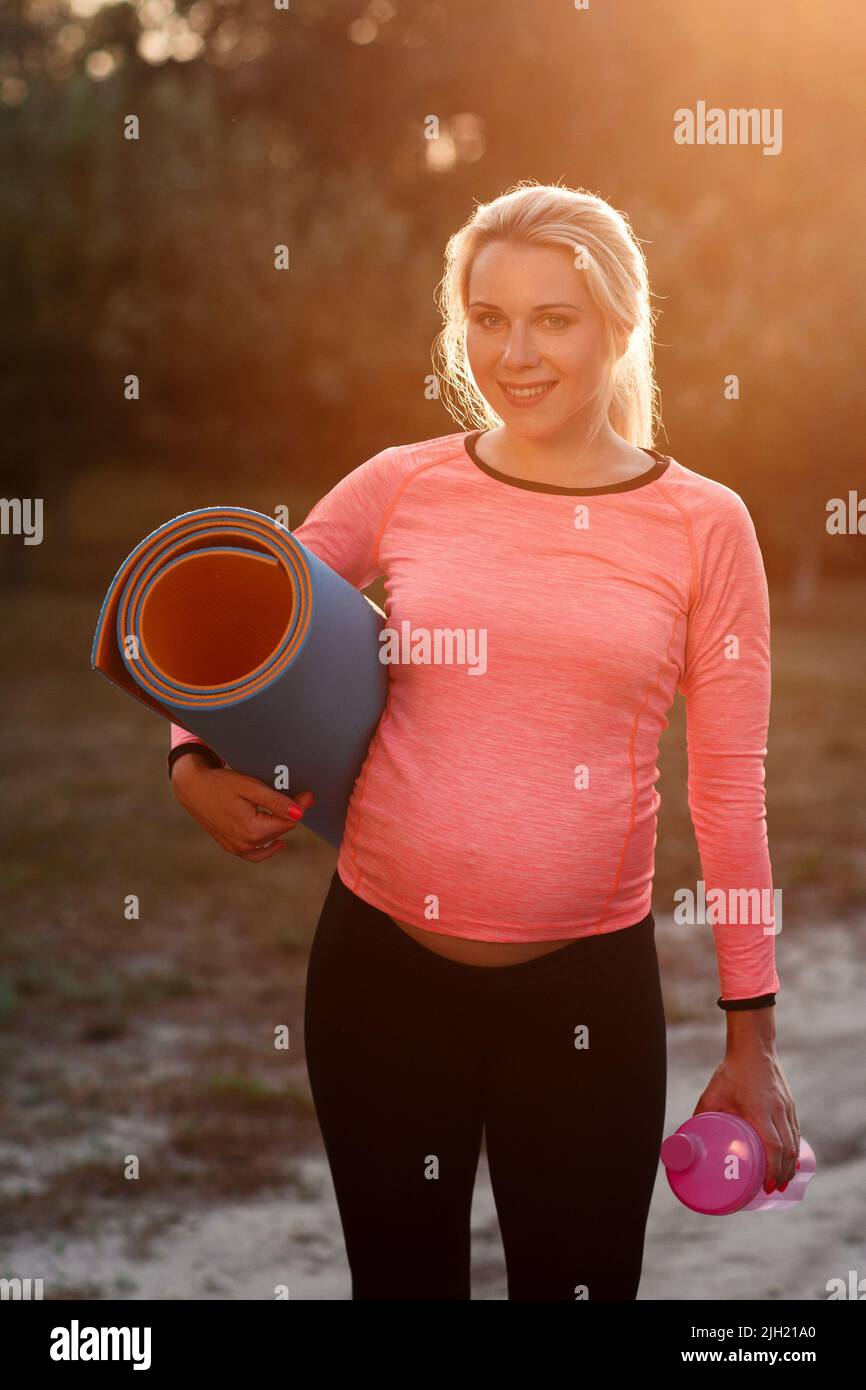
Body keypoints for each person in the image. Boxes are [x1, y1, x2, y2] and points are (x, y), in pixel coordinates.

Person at [168, 181, 800, 1300]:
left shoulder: (705, 526)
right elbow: (235, 613)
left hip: (585, 1003)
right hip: (376, 983)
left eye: (552, 317)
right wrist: (189, 760)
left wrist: (749, 1038)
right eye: (488, 316)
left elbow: (727, 796)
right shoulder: (402, 483)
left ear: (616, 323)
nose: (516, 351)